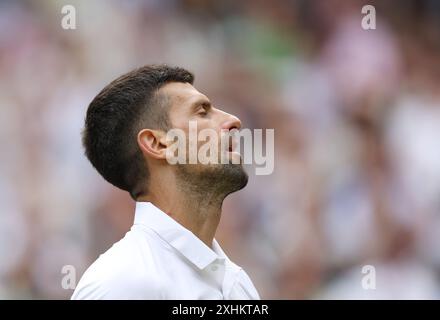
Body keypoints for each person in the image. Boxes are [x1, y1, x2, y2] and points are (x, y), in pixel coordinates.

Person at [71, 65, 260, 299]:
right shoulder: (119, 285)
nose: (234, 121)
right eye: (202, 112)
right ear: (158, 144)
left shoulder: (238, 284)